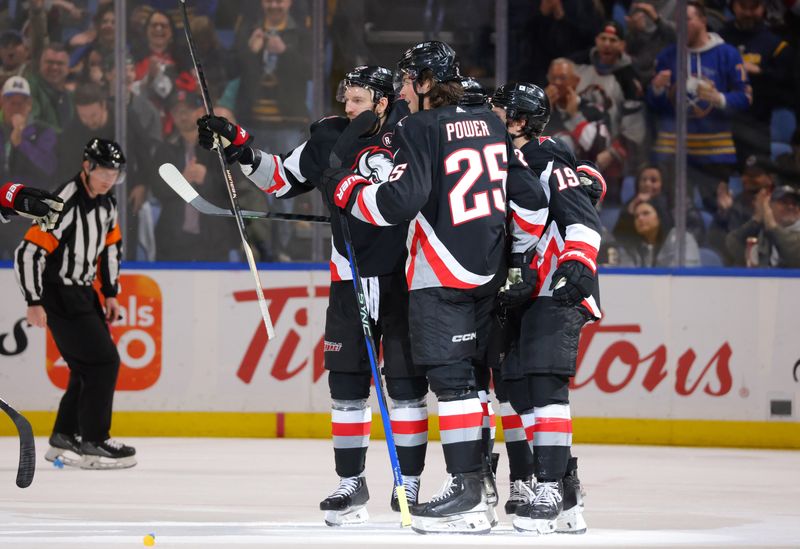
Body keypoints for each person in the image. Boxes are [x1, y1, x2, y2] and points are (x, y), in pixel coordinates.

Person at [321, 42, 549, 534]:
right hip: (487, 273)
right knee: (470, 382)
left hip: (439, 274)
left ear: (425, 82)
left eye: (407, 80)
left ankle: (467, 492)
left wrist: (344, 188)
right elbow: (529, 200)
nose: (401, 90)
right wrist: (516, 256)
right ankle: (480, 490)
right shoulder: (489, 122)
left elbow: (395, 204)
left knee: (451, 383)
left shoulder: (419, 128)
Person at [197, 66, 429, 526]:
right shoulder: (330, 136)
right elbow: (280, 179)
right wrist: (239, 146)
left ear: (383, 101)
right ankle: (351, 482)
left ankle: (410, 482)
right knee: (346, 386)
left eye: (358, 100)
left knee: (405, 386)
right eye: (346, 99)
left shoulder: (414, 135)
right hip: (349, 277)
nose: (348, 108)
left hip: (405, 278)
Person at [490, 82, 601, 535]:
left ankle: (551, 487)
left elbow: (583, 218)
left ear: (518, 121)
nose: (487, 121)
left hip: (555, 289)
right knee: (516, 389)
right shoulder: (505, 161)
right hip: (520, 290)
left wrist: (576, 264)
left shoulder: (548, 159)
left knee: (543, 386)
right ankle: (566, 490)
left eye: (497, 114)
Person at [13, 137, 136, 470]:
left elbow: (112, 247)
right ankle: (94, 440)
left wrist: (110, 292)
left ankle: (64, 435)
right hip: (59, 293)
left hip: (83, 293)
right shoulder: (62, 202)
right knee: (104, 362)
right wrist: (34, 300)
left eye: (115, 172)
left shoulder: (107, 205)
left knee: (86, 367)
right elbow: (28, 252)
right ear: (88, 167)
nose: (110, 178)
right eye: (105, 170)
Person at [647, 1, 752, 212]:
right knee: (673, 212)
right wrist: (657, 90)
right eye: (677, 21)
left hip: (715, 150)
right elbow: (655, 105)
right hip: (673, 150)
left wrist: (719, 98)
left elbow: (746, 97)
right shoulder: (667, 56)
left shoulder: (727, 54)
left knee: (718, 211)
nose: (680, 26)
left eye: (686, 19)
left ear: (703, 20)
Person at [725, 184, 800, 267]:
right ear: (769, 206)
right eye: (784, 202)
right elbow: (731, 246)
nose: (790, 207)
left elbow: (795, 257)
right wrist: (757, 219)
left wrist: (773, 227)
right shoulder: (759, 233)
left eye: (795, 203)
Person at [617, 199, 701, 267]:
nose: (640, 219)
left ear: (660, 216)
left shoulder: (681, 238)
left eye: (646, 213)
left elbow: (686, 272)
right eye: (636, 216)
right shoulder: (633, 247)